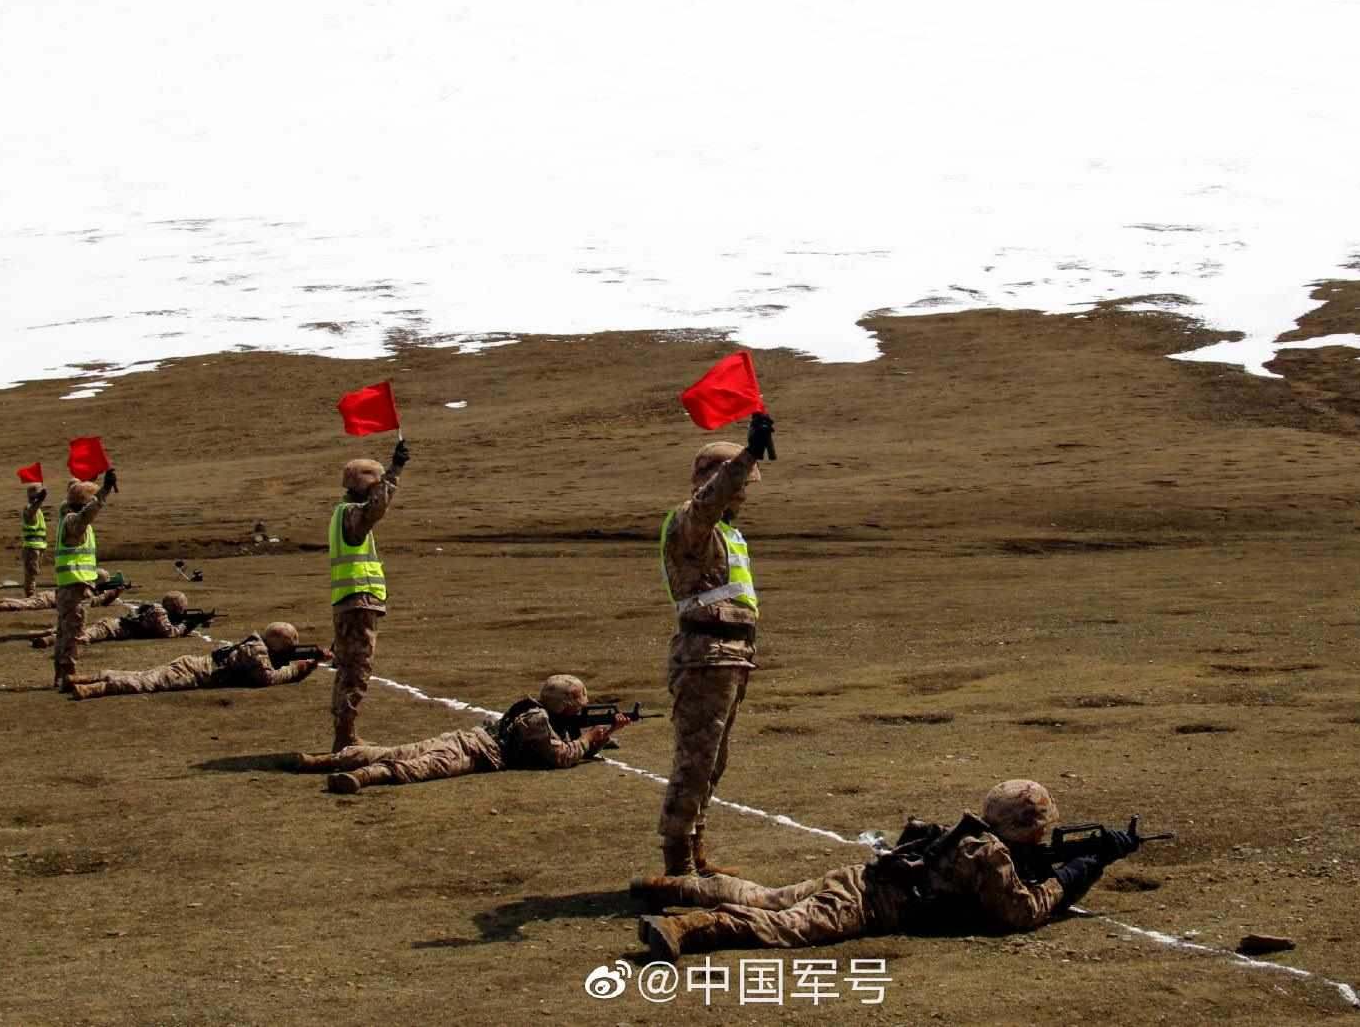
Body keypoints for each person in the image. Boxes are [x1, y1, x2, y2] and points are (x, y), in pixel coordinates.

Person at [634, 780, 1142, 957]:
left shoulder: (968, 835)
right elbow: (1021, 912)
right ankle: (687, 926)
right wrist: (1080, 870)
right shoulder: (990, 856)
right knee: (781, 925)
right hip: (866, 905)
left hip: (856, 877)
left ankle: (672, 886)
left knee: (769, 896)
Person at [656, 410, 775, 878]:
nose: (744, 492)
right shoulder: (691, 523)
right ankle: (678, 861)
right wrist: (747, 455)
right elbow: (708, 502)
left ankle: (696, 846)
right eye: (740, 484)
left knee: (713, 761)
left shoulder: (729, 534)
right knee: (695, 760)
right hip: (705, 656)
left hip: (731, 655)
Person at [292, 674, 636, 793]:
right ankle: (361, 777)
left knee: (397, 751)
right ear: (563, 706)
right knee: (420, 766)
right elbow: (559, 757)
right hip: (476, 752)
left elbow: (566, 742)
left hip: (466, 737)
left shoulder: (535, 710)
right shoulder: (538, 721)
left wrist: (600, 736)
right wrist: (589, 740)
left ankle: (322, 761)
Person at [329, 438, 409, 751]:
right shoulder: (353, 515)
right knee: (356, 669)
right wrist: (395, 471)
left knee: (348, 668)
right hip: (357, 601)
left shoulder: (343, 512)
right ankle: (345, 736)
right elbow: (376, 509)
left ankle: (344, 733)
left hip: (351, 600)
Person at [65, 622, 325, 699]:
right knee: (144, 683)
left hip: (192, 664)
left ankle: (85, 678)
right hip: (193, 673)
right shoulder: (257, 654)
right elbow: (266, 678)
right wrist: (299, 669)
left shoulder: (254, 644)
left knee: (142, 674)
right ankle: (93, 688)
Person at [51, 470, 117, 690]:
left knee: (64, 633)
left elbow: (78, 503)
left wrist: (91, 484)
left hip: (71, 587)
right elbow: (86, 515)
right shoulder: (74, 523)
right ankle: (68, 677)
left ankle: (61, 676)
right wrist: (103, 492)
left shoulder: (66, 517)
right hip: (74, 588)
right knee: (72, 635)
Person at [28, 590, 198, 648]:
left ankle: (47, 637)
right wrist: (186, 626)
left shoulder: (155, 608)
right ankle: (49, 640)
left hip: (113, 624)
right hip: (112, 628)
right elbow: (168, 633)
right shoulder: (160, 613)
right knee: (83, 637)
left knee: (80, 632)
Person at [0, 573, 125, 613]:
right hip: (50, 599)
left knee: (24, 602)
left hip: (51, 595)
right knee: (25, 605)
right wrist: (111, 594)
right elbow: (93, 602)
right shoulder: (87, 592)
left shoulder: (82, 585)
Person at [18, 484, 52, 595]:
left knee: (33, 573)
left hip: (38, 547)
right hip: (31, 548)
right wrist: (40, 500)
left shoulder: (38, 510)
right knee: (30, 575)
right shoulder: (29, 509)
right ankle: (30, 596)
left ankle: (30, 594)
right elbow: (31, 511)